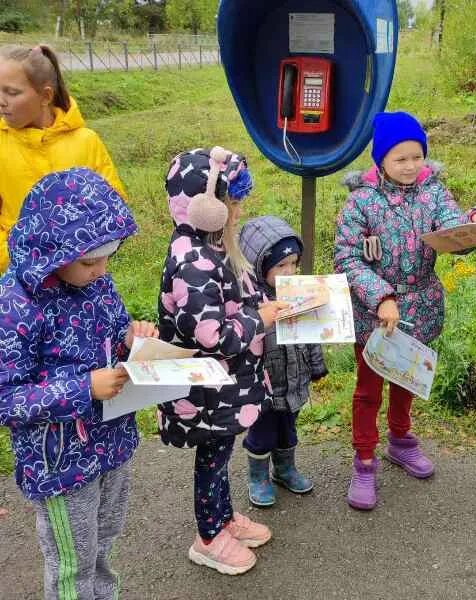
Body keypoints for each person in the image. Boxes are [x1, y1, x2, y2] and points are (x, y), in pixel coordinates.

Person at [334, 111, 476, 511]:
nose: (411, 166)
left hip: (421, 307)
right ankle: (364, 461)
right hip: (374, 315)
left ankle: (400, 440)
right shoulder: (361, 202)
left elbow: (452, 223)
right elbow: (347, 258)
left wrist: (471, 230)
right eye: (401, 159)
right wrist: (381, 297)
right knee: (368, 390)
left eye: (417, 156)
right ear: (380, 160)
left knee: (407, 380)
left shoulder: (434, 192)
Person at [0, 167, 157, 600]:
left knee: (103, 545)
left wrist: (132, 338)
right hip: (61, 464)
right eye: (90, 261)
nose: (101, 270)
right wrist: (83, 388)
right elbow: (6, 398)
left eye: (108, 257)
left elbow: (114, 334)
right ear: (52, 251)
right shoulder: (15, 305)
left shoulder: (97, 283)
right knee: (72, 562)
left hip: (111, 442)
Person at [158, 146, 288, 575]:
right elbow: (210, 334)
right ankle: (209, 537)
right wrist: (260, 319)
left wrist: (271, 304)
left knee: (220, 454)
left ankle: (223, 519)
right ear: (206, 205)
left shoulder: (211, 247)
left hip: (225, 386)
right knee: (212, 461)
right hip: (208, 387)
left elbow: (239, 299)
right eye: (232, 202)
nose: (238, 211)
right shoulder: (193, 261)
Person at [0, 44, 126, 275]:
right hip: (21, 274)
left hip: (82, 275)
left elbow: (113, 204)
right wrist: (15, 257)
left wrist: (85, 256)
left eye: (12, 92)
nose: (2, 101)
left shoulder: (86, 142)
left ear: (45, 96)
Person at [238, 215, 328, 506]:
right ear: (259, 264)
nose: (289, 271)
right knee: (262, 433)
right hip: (263, 385)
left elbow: (312, 332)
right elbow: (242, 342)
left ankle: (285, 468)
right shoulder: (248, 302)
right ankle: (258, 476)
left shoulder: (301, 294)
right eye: (280, 265)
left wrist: (315, 365)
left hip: (294, 380)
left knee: (288, 430)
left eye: (293, 263)